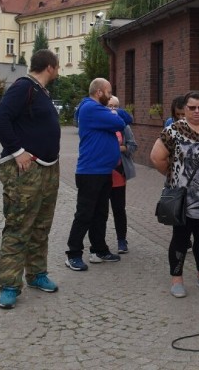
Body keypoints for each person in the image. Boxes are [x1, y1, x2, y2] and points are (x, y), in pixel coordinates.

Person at [0, 49, 61, 310]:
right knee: (19, 226)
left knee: (41, 225)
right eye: (58, 67)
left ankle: (36, 274)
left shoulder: (41, 91)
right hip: (25, 171)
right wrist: (17, 151)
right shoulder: (23, 87)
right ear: (51, 67)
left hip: (48, 169)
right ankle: (9, 286)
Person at [150, 90, 199, 298]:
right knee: (181, 239)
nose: (196, 111)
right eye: (192, 107)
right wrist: (174, 176)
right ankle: (177, 280)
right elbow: (157, 157)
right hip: (184, 199)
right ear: (184, 109)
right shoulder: (173, 130)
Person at [65, 78, 133, 271]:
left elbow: (127, 119)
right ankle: (73, 254)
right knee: (85, 214)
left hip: (103, 171)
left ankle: (99, 249)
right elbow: (121, 122)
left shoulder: (99, 111)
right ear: (99, 92)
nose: (111, 96)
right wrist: (114, 113)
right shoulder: (90, 108)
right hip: (90, 172)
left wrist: (113, 112)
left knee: (100, 214)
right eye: (109, 92)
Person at [108, 96, 137, 254]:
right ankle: (99, 243)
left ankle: (121, 240)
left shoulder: (124, 126)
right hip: (102, 173)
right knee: (100, 211)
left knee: (119, 209)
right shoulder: (101, 125)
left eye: (116, 106)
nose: (113, 110)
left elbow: (133, 146)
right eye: (109, 106)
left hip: (119, 173)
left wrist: (119, 148)